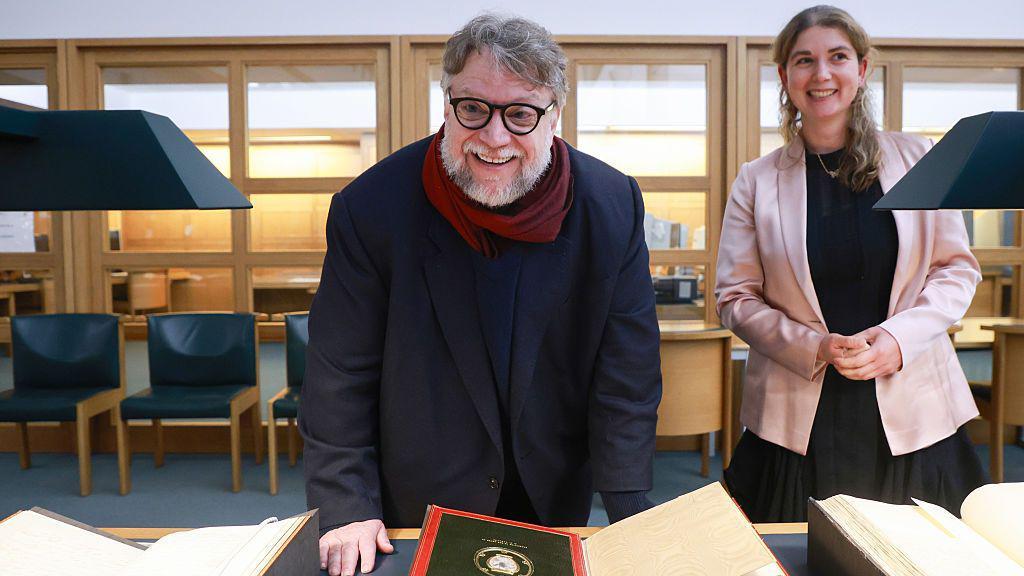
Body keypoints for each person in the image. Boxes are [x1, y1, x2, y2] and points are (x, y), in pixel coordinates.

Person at [300, 13, 662, 576]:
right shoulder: (372, 207)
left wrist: (630, 507)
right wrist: (346, 506)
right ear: (447, 104)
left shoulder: (611, 206)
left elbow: (628, 375)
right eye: (473, 109)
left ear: (554, 117)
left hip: (554, 488)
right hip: (420, 495)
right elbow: (339, 374)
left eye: (519, 114)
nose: (494, 138)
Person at [715, 5, 987, 524]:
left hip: (913, 406)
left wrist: (898, 340)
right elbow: (734, 297)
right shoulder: (756, 180)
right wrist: (812, 346)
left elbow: (956, 270)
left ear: (861, 70)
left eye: (837, 57)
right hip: (797, 412)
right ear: (784, 76)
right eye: (804, 61)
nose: (822, 75)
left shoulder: (919, 158)